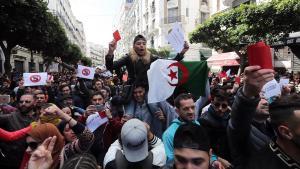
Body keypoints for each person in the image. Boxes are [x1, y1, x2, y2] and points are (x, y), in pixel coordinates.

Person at [227, 66, 275, 169]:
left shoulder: (277, 126)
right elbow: (239, 119)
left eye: (267, 98)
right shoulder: (241, 129)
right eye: (261, 98)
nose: (266, 102)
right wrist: (247, 93)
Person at [162, 93, 220, 168]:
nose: (191, 111)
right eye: (186, 109)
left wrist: (213, 161)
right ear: (177, 111)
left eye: (193, 107)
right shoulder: (168, 134)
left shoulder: (197, 124)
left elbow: (204, 149)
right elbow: (171, 161)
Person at [105, 34, 189, 85]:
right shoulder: (128, 57)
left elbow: (169, 62)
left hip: (148, 91)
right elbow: (110, 67)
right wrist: (111, 51)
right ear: (134, 46)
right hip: (133, 91)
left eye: (144, 44)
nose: (141, 45)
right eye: (138, 43)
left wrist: (182, 52)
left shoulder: (152, 57)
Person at [0, 94, 39, 169]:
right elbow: (10, 136)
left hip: (30, 161)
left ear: (35, 102)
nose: (23, 104)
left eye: (27, 101)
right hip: (7, 162)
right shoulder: (9, 117)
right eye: (21, 102)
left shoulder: (38, 119)